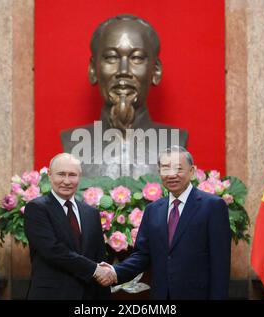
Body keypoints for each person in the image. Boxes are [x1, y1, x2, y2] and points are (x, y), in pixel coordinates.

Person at [61, 14, 188, 179]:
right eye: (111, 58)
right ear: (93, 69)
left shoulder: (175, 140)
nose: (123, 71)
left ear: (155, 71)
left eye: (136, 58)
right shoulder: (72, 141)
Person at [98, 146, 231, 299]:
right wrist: (114, 272)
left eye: (179, 169)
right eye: (166, 169)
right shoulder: (153, 210)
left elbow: (220, 264)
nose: (172, 175)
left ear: (192, 171)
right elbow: (142, 255)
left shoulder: (212, 206)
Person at [23, 153, 114, 299]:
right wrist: (95, 270)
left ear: (80, 177)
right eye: (61, 174)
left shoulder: (91, 213)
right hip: (51, 295)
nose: (66, 181)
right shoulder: (36, 208)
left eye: (72, 175)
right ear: (50, 175)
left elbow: (99, 255)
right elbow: (53, 250)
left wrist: (105, 277)